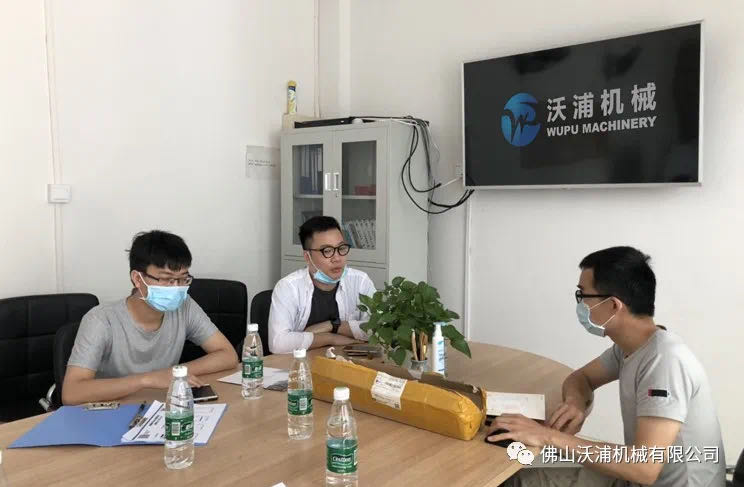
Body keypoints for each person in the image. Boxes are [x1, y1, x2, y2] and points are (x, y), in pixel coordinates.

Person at [490, 247, 725, 487]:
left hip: (643, 476)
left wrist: (547, 437)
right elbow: (581, 378)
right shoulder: (631, 348)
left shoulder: (665, 362)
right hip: (637, 478)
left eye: (583, 295)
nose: (580, 304)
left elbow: (644, 468)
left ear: (613, 305)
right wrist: (575, 403)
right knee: (520, 478)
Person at [62, 230, 238, 405]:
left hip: (159, 407)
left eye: (183, 279)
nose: (176, 288)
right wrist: (147, 380)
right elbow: (71, 393)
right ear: (138, 279)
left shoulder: (185, 306)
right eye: (167, 279)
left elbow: (228, 355)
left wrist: (175, 373)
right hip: (110, 412)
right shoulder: (100, 320)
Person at [269, 216, 375, 354]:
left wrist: (333, 326)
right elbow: (278, 343)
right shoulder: (288, 287)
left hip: (346, 361)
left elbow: (380, 330)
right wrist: (330, 338)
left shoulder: (360, 281)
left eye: (341, 248)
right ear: (307, 257)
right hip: (301, 364)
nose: (337, 258)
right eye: (327, 251)